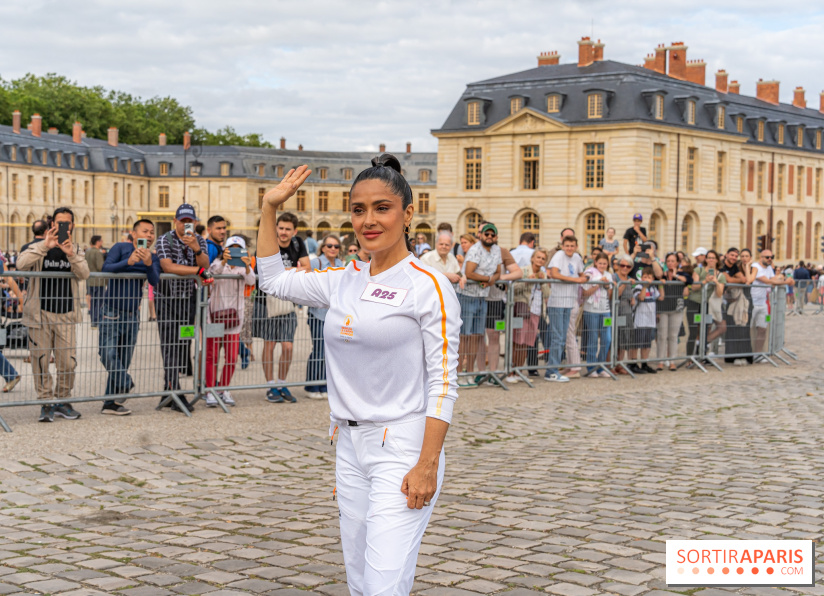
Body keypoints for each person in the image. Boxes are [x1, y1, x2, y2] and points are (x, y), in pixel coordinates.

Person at [257, 156, 459, 595]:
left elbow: (444, 382)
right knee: (361, 578)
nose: (368, 220)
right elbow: (272, 280)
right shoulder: (343, 278)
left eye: (382, 208)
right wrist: (270, 208)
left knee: (384, 580)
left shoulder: (429, 284)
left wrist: (427, 464)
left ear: (408, 214)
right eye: (359, 209)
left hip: (402, 446)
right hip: (348, 444)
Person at [18, 208, 90, 423]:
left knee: (68, 363)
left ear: (73, 226)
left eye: (67, 224)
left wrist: (71, 254)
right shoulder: (36, 247)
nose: (62, 228)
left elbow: (84, 273)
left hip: (66, 313)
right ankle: (46, 402)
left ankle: (63, 399)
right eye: (58, 223)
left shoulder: (76, 249)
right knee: (40, 361)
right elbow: (21, 264)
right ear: (52, 225)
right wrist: (44, 245)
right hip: (39, 314)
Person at [98, 220, 161, 415]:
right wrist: (129, 262)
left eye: (152, 232)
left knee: (123, 358)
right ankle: (125, 382)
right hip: (112, 311)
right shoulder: (121, 248)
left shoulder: (153, 256)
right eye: (145, 231)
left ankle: (111, 403)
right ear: (134, 234)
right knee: (107, 353)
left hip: (133, 314)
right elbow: (106, 269)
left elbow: (155, 280)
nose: (149, 235)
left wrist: (149, 264)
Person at [156, 203, 211, 412]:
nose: (186, 225)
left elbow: (205, 264)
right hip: (167, 299)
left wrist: (196, 249)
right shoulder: (165, 239)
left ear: (195, 222)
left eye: (190, 221)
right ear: (175, 222)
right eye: (183, 221)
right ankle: (175, 390)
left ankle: (168, 388)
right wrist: (197, 270)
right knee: (169, 344)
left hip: (189, 300)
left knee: (183, 343)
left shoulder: (200, 241)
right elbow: (167, 266)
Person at [253, 211, 310, 403]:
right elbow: (261, 271)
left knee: (287, 346)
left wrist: (281, 272)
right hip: (266, 301)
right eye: (281, 228)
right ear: (276, 228)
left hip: (287, 301)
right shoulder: (268, 241)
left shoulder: (298, 244)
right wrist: (295, 270)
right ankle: (271, 386)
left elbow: (308, 268)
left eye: (287, 229)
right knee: (269, 345)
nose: (283, 232)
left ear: (294, 231)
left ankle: (282, 383)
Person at [205, 236, 255, 407]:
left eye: (237, 248)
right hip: (214, 317)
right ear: (225, 249)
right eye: (230, 248)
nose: (234, 251)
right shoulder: (218, 264)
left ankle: (223, 388)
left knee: (232, 357)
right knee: (211, 355)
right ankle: (210, 390)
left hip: (234, 319)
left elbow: (252, 281)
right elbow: (211, 274)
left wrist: (247, 265)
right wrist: (224, 260)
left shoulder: (242, 268)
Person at [456, 223, 502, 375]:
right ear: (481, 235)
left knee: (476, 336)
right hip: (467, 296)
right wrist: (488, 278)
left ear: (496, 237)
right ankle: (459, 373)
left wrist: (489, 279)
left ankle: (470, 371)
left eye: (492, 235)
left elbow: (498, 272)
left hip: (483, 297)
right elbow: (469, 273)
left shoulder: (496, 250)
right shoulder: (475, 249)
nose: (489, 237)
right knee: (464, 336)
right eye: (486, 234)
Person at [304, 234, 344, 398]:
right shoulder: (316, 263)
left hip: (334, 314)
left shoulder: (341, 264)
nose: (333, 249)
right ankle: (313, 386)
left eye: (336, 246)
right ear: (323, 247)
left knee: (330, 352)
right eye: (329, 246)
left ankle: (324, 384)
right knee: (319, 350)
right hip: (318, 313)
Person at [545, 235, 587, 383]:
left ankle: (553, 368)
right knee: (558, 337)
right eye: (567, 245)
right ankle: (551, 370)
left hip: (570, 301)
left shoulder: (576, 258)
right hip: (557, 301)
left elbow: (582, 274)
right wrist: (576, 280)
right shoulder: (558, 255)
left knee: (563, 337)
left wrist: (584, 278)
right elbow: (554, 273)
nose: (569, 248)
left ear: (576, 246)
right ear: (563, 246)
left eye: (572, 246)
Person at [508, 248, 550, 383]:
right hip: (523, 308)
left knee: (527, 343)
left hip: (536, 311)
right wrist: (527, 280)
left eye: (543, 259)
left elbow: (548, 293)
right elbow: (513, 288)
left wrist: (544, 282)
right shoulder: (524, 270)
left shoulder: (543, 273)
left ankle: (519, 370)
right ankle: (511, 371)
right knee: (517, 341)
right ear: (532, 258)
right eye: (538, 257)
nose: (540, 260)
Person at [482, 238, 521, 377]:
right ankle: (479, 371)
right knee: (476, 337)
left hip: (496, 300)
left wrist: (499, 277)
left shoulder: (502, 252)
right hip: (477, 298)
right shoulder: (475, 250)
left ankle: (493, 372)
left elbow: (518, 272)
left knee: (494, 336)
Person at [751, 249, 793, 361]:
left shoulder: (769, 268)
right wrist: (785, 282)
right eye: (767, 257)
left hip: (763, 302)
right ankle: (747, 353)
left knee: (762, 329)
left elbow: (773, 279)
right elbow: (767, 281)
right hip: (752, 302)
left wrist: (780, 278)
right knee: (749, 329)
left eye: (771, 257)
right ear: (761, 257)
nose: (770, 259)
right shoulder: (755, 267)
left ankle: (758, 354)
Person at [580, 253, 613, 378]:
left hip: (606, 311)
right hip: (591, 310)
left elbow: (609, 292)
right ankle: (591, 367)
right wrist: (598, 284)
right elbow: (585, 292)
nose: (602, 265)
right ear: (595, 263)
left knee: (607, 338)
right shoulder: (590, 273)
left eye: (605, 263)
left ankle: (601, 366)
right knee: (593, 338)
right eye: (600, 263)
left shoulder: (608, 275)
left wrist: (606, 284)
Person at [656, 253, 689, 371]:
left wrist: (676, 275)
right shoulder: (662, 275)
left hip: (676, 308)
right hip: (663, 308)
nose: (670, 263)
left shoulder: (682, 274)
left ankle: (672, 361)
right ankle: (660, 360)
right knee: (662, 335)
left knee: (673, 336)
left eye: (673, 261)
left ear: (677, 263)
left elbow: (688, 280)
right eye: (668, 261)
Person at [632, 267, 664, 374]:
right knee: (637, 342)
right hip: (640, 319)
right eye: (644, 277)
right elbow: (641, 298)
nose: (647, 279)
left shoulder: (653, 288)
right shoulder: (638, 287)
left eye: (649, 277)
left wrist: (660, 284)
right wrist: (644, 286)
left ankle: (644, 363)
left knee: (647, 343)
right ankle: (633, 363)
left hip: (650, 320)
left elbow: (661, 297)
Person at [84, 235, 105, 328]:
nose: (102, 242)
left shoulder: (87, 252)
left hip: (89, 279)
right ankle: (97, 320)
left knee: (92, 301)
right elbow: (100, 266)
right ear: (97, 242)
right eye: (101, 241)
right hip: (98, 281)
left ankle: (93, 320)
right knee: (99, 301)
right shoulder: (98, 253)